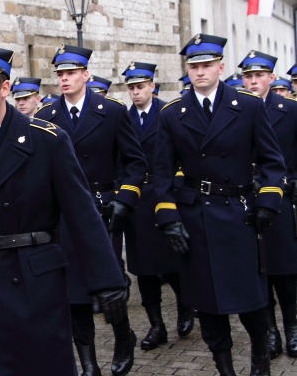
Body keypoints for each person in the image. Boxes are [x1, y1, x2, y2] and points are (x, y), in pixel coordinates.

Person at [0, 42, 128, 376]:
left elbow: (82, 216)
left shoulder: (47, 140)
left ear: (4, 87)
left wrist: (108, 280)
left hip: (36, 279)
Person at [154, 34, 285, 376]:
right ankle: (224, 367)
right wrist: (167, 216)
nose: (200, 72)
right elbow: (162, 173)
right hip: (197, 216)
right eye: (194, 66)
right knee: (208, 305)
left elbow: (273, 161)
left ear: (221, 67)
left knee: (252, 302)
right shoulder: (172, 113)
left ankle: (260, 362)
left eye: (207, 66)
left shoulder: (248, 105)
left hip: (240, 213)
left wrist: (269, 201)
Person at [35, 44, 146, 376]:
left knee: (107, 279)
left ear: (86, 75)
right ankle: (88, 362)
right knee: (73, 291)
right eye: (60, 74)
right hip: (63, 217)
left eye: (70, 73)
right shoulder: (45, 117)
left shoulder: (110, 110)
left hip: (102, 210)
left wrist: (124, 198)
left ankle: (123, 335)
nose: (64, 79)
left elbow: (135, 162)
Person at [122, 61, 193, 351]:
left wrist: (174, 189)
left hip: (163, 196)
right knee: (144, 269)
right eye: (131, 88)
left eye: (140, 86)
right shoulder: (123, 118)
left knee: (172, 263)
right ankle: (156, 325)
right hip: (137, 198)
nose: (136, 93)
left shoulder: (168, 113)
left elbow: (182, 154)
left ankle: (186, 307)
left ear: (152, 85)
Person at [239, 50, 297, 360]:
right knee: (257, 271)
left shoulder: (290, 110)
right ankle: (270, 331)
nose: (252, 81)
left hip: (283, 200)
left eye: (258, 75)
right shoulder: (237, 110)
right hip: (248, 199)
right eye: (247, 76)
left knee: (285, 270)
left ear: (271, 78)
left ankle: (292, 328)